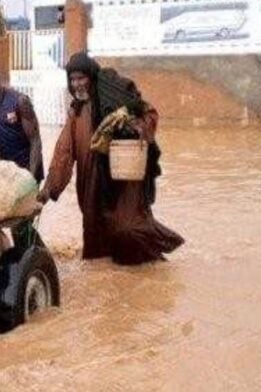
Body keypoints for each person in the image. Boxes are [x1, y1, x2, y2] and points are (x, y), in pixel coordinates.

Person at [37, 52, 184, 264]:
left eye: (81, 78)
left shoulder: (116, 98)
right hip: (91, 185)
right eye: (72, 79)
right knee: (96, 240)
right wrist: (49, 188)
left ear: (92, 77)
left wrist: (136, 125)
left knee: (128, 227)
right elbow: (63, 153)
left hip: (123, 180)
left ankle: (149, 263)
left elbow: (148, 113)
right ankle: (110, 277)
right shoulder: (76, 113)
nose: (77, 84)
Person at [0, 61, 44, 182]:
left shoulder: (20, 102)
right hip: (6, 172)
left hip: (29, 168)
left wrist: (30, 177)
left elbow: (35, 141)